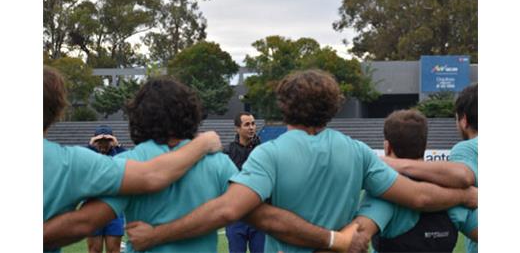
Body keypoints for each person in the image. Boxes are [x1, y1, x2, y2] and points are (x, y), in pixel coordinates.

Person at [123, 69, 477, 253]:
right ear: (333, 107)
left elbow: (226, 211)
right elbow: (419, 198)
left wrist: (157, 236)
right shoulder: (353, 150)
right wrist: (462, 196)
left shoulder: (270, 153)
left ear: (285, 106)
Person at [43, 76, 362, 252]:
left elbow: (84, 223)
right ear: (190, 114)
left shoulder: (130, 163)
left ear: (138, 116)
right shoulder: (218, 163)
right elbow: (263, 216)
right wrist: (329, 239)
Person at [43, 66, 221, 252]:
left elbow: (85, 222)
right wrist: (204, 142)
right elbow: (153, 176)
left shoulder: (124, 158)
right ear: (57, 110)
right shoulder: (71, 162)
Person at [351, 109, 477, 252]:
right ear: (425, 146)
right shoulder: (457, 195)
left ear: (387, 147)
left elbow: (357, 237)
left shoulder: (385, 193)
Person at [382, 84, 478, 253]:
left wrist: (393, 164)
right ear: (425, 146)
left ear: (463, 120)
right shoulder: (457, 207)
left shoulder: (467, 148)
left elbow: (463, 176)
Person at [224, 112, 265, 253]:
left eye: (253, 123)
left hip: (259, 215)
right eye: (247, 124)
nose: (251, 127)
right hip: (236, 217)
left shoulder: (264, 151)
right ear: (237, 128)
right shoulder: (227, 152)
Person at [86, 125, 126, 253]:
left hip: (114, 209)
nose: (103, 144)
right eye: (99, 141)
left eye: (106, 141)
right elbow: (78, 159)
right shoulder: (88, 154)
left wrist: (117, 145)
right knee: (94, 249)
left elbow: (130, 159)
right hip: (92, 209)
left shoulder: (118, 154)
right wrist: (91, 145)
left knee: (114, 249)